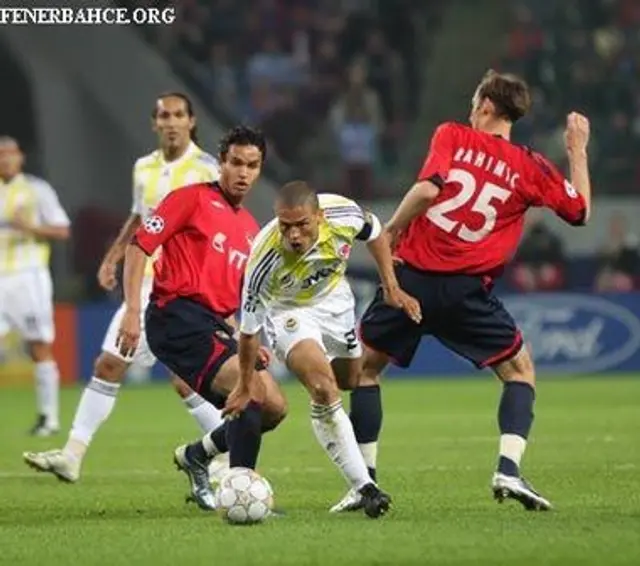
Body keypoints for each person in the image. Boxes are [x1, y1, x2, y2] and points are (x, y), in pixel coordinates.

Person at [333, 69, 592, 513]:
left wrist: (392, 229)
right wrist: (576, 150)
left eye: (475, 101)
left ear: (488, 106)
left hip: (409, 280)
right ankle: (508, 470)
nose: (471, 109)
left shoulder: (452, 135)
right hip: (465, 292)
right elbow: (581, 212)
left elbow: (426, 190)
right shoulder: (532, 166)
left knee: (365, 373)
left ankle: (366, 483)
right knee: (519, 372)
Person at [23, 93, 226, 481]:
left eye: (178, 115)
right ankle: (72, 455)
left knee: (186, 380)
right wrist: (112, 257)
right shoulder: (143, 168)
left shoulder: (206, 170)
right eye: (164, 115)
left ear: (191, 121)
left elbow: (219, 228)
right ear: (154, 123)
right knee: (111, 364)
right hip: (146, 282)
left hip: (186, 286)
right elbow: (139, 218)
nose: (170, 121)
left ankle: (233, 452)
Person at [223, 181, 421, 519]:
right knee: (323, 388)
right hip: (289, 314)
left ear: (319, 216)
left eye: (302, 225)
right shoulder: (263, 258)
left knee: (351, 380)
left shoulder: (342, 213)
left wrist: (392, 287)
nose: (294, 235)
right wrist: (243, 384)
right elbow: (249, 331)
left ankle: (204, 448)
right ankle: (365, 487)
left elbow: (374, 232)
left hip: (335, 303)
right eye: (286, 226)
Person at [117, 126, 288, 511]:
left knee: (274, 406)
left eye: (252, 165)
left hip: (214, 324)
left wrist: (250, 342)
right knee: (251, 392)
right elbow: (139, 246)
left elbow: (236, 302)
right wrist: (130, 310)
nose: (243, 173)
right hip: (174, 316)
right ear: (222, 162)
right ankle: (239, 492)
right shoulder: (190, 199)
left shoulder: (249, 229)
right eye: (236, 163)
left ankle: (197, 454)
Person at [0, 136, 71, 436]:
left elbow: (62, 229)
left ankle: (49, 418)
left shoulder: (36, 189)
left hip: (28, 277)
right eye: (0, 154)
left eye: (10, 153)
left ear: (21, 157)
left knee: (39, 345)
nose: (5, 158)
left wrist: (29, 227)